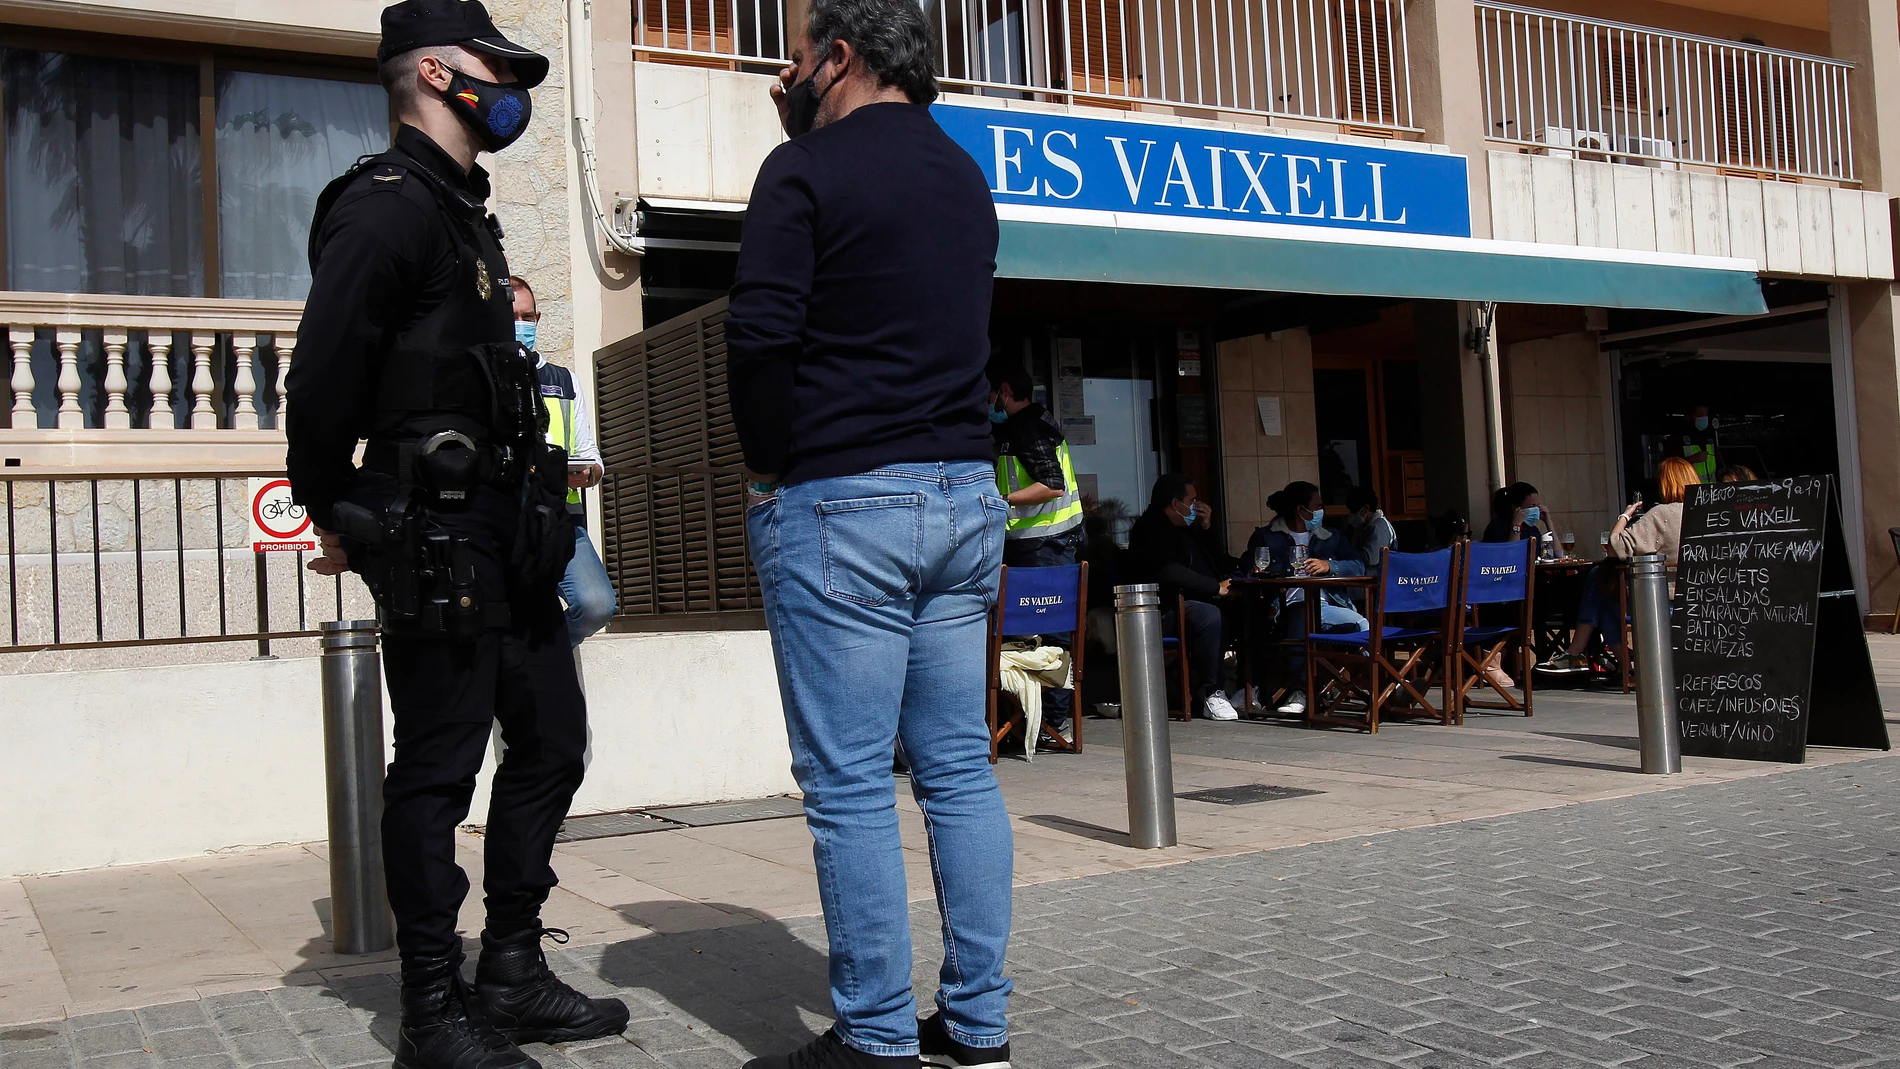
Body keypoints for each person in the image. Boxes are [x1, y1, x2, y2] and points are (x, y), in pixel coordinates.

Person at [284, 5, 629, 1069]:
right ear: (434, 72)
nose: (512, 84)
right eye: (498, 66)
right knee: (435, 774)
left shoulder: (458, 212)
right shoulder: (384, 209)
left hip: (509, 537)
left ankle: (511, 968)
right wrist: (342, 509)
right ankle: (434, 1013)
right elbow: (320, 384)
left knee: (553, 740)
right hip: (435, 540)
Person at [724, 0, 1013, 1064]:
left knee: (848, 782)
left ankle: (878, 1038)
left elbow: (759, 339)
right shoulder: (961, 175)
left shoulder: (798, 174)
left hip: (844, 498)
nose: (786, 75)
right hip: (963, 496)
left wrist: (765, 470)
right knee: (956, 771)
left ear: (836, 57)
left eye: (796, 57)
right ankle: (978, 1025)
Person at [511, 276, 616, 646]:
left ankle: (541, 654)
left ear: (538, 319)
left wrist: (589, 473)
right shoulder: (483, 377)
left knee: (597, 605)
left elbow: (592, 456)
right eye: (513, 316)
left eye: (527, 317)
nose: (521, 324)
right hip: (505, 520)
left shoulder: (564, 380)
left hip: (561, 518)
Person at [988, 363, 1082, 743]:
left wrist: (1000, 500)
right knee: (1035, 634)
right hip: (1043, 543)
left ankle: (1051, 722)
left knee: (1048, 634)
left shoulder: (1029, 426)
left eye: (991, 393)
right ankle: (1037, 720)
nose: (989, 402)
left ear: (1006, 390)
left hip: (1045, 545)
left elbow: (1052, 485)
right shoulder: (1036, 419)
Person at [1540, 456, 1699, 672]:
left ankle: (1582, 655)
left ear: (1664, 483)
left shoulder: (1662, 514)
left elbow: (1614, 548)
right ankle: (1621, 667)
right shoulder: (1703, 514)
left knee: (1598, 579)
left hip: (1661, 604)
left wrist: (1625, 515)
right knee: (1602, 596)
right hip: (1699, 602)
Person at [1245, 481, 1370, 715]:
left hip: (1327, 604)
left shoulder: (1330, 536)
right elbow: (1249, 567)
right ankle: (1299, 690)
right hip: (1284, 606)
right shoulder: (1267, 536)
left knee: (1362, 625)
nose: (1322, 510)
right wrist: (1263, 571)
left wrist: (1328, 565)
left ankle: (1384, 689)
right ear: (1301, 509)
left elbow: (1358, 565)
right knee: (1302, 612)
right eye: (1317, 505)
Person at [1127, 473, 1241, 721]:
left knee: (1253, 608)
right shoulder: (1150, 528)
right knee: (1208, 616)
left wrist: (1207, 527)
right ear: (1175, 503)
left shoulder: (1186, 529)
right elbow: (1167, 571)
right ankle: (1213, 692)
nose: (1196, 506)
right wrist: (1214, 587)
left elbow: (1216, 559)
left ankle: (1251, 688)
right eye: (1192, 500)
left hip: (1198, 598)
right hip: (1164, 607)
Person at [1341, 485, 1397, 568]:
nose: (1351, 516)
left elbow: (1371, 559)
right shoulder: (1364, 526)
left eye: (1353, 511)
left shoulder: (1379, 527)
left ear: (1365, 509)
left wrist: (1346, 554)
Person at [1483, 481, 1547, 545]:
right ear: (1515, 507)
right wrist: (1516, 525)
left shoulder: (1531, 529)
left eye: (1537, 505)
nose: (1536, 510)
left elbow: (1556, 552)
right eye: (1532, 506)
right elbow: (1512, 552)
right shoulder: (1497, 527)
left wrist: (1548, 522)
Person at [1680, 404, 1719, 480]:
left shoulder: (1709, 436)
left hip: (1712, 489)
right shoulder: (1680, 437)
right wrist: (1692, 459)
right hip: (1691, 488)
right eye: (1700, 415)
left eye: (1706, 415)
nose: (1704, 418)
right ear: (1692, 416)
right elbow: (1671, 467)